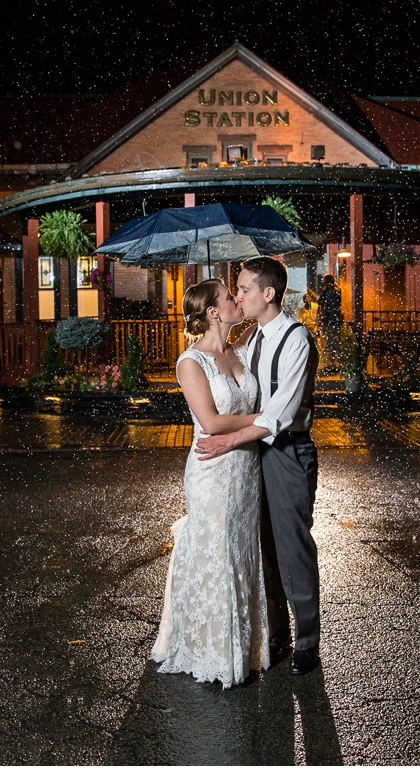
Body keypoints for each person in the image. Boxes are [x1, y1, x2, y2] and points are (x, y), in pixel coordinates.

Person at [196, 257, 322, 676]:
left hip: (287, 451)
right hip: (250, 458)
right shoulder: (250, 340)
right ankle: (275, 633)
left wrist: (226, 440)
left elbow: (279, 415)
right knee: (259, 545)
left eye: (245, 288)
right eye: (235, 291)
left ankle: (307, 642)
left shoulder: (297, 340)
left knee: (291, 547)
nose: (239, 296)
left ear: (269, 294)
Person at [151, 279, 271, 688]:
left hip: (246, 468)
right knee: (216, 548)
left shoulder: (241, 351)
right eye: (229, 296)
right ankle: (212, 648)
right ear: (214, 312)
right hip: (212, 471)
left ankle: (245, 646)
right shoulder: (191, 363)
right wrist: (265, 419)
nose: (237, 300)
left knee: (240, 547)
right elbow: (211, 423)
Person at [316, 275, 342, 372]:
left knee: (329, 343)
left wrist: (320, 321)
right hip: (336, 321)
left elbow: (323, 307)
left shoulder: (326, 292)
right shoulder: (337, 291)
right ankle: (337, 364)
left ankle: (331, 365)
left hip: (328, 322)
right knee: (335, 343)